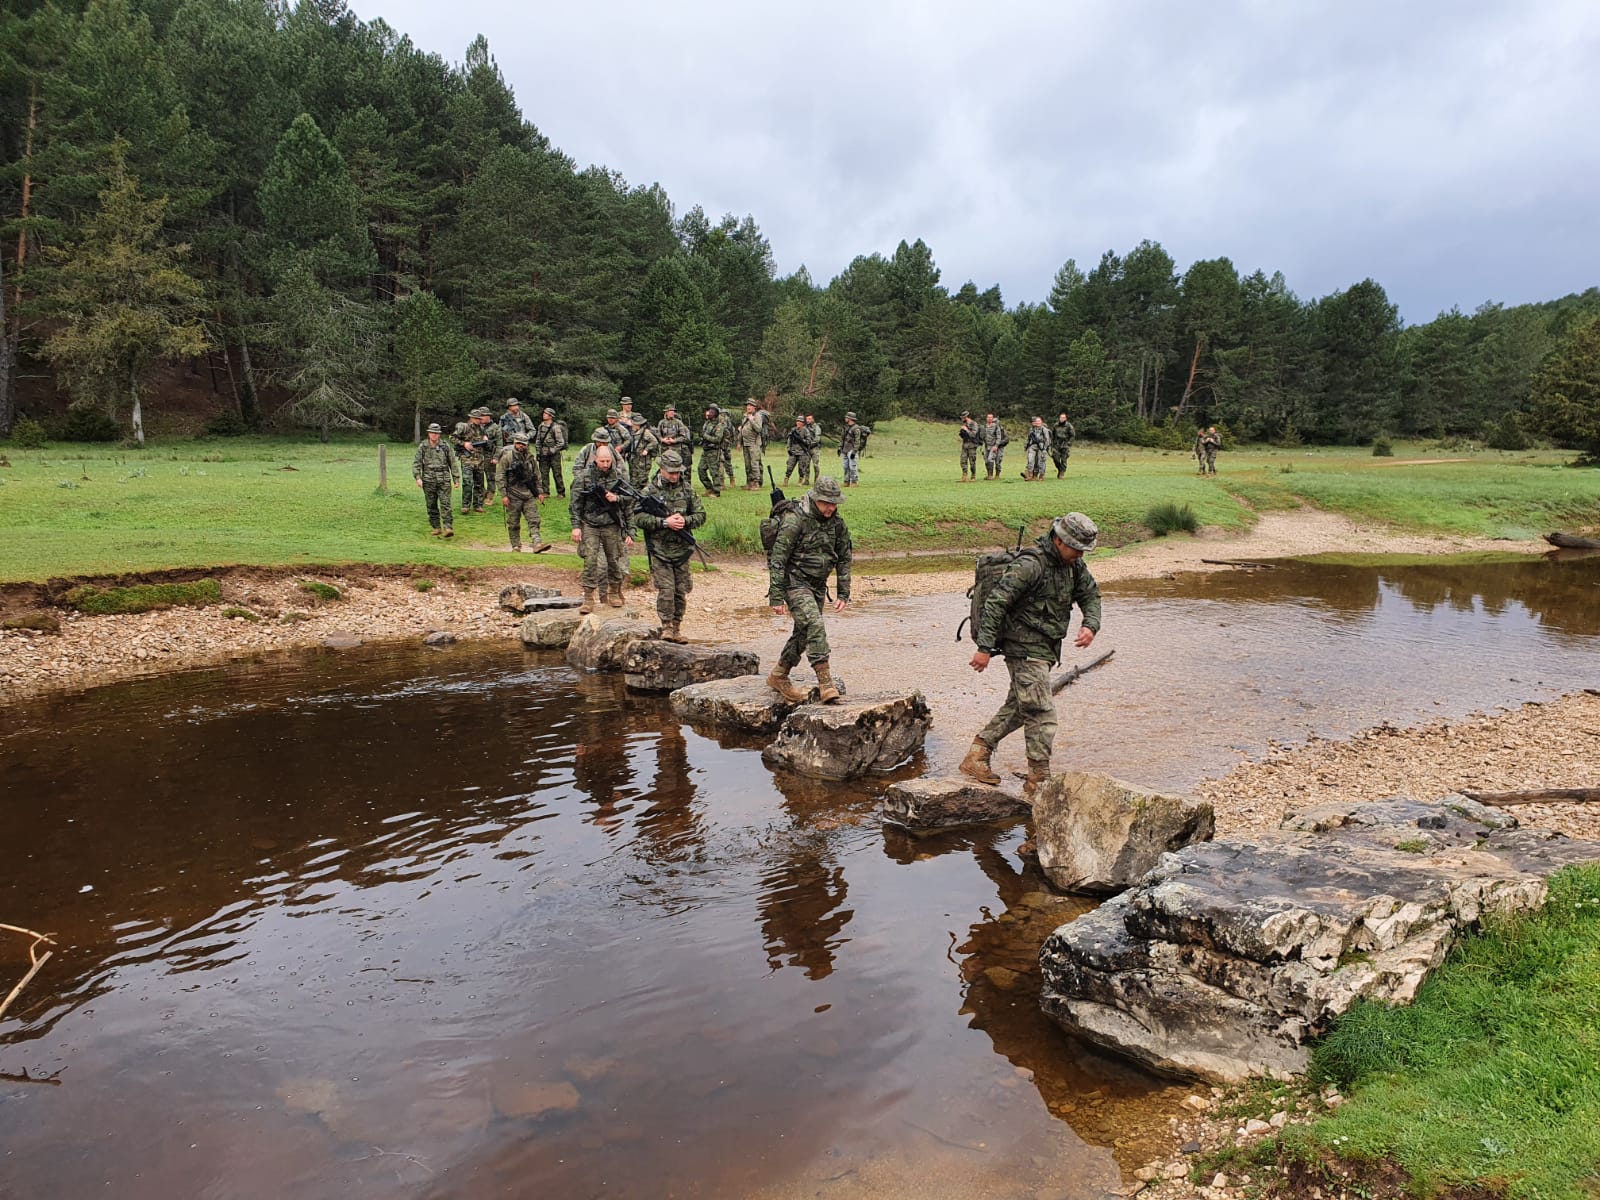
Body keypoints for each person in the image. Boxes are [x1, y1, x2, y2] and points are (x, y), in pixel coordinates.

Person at [961, 512, 1102, 799]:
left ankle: (977, 753)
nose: (1080, 554)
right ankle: (1038, 778)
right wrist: (984, 648)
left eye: (1083, 550)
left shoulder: (1074, 566)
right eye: (1076, 548)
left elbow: (1090, 594)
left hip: (1046, 647)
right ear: (1059, 541)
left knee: (1020, 705)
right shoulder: (1030, 565)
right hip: (1022, 646)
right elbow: (996, 604)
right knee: (1040, 710)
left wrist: (1090, 624)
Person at [765, 476, 852, 705]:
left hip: (817, 585)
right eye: (826, 503)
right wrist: (776, 596)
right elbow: (778, 559)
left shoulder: (837, 525)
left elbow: (844, 558)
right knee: (814, 624)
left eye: (834, 503)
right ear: (815, 499)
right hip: (794, 582)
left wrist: (843, 592)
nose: (831, 508)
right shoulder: (795, 520)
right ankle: (826, 682)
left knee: (804, 632)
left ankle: (779, 675)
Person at [634, 450, 706, 643]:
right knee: (666, 589)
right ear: (662, 469)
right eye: (671, 472)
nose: (675, 476)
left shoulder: (688, 490)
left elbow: (701, 515)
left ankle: (676, 626)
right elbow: (638, 517)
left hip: (682, 550)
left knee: (680, 590)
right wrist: (664, 522)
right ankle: (666, 627)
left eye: (677, 472)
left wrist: (685, 521)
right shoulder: (649, 491)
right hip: (659, 549)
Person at [569, 440, 636, 613]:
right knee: (590, 560)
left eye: (608, 461)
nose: (605, 464)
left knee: (614, 559)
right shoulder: (584, 477)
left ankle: (614, 592)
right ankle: (588, 597)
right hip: (590, 524)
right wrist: (576, 526)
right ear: (595, 459)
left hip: (612, 525)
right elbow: (575, 503)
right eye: (602, 461)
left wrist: (617, 499)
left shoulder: (619, 477)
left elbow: (630, 502)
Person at [495, 431, 552, 553]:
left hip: (529, 494)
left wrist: (540, 492)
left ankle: (537, 542)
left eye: (523, 444)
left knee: (534, 519)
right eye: (518, 443)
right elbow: (500, 476)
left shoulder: (530, 459)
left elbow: (537, 475)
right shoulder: (507, 458)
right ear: (514, 443)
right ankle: (516, 545)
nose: (521, 446)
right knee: (513, 522)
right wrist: (504, 495)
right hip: (512, 495)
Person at [412, 422, 460, 537]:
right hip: (428, 480)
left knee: (445, 503)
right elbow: (417, 463)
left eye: (436, 433)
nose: (434, 435)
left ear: (439, 434)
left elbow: (452, 463)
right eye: (432, 433)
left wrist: (456, 478)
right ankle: (436, 527)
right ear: (429, 433)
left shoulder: (445, 446)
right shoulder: (423, 446)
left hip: (444, 479)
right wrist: (418, 478)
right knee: (431, 505)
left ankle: (448, 527)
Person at [452, 419, 484, 512]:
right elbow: (452, 438)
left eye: (480, 418)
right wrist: (464, 443)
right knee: (467, 482)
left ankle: (478, 505)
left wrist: (485, 438)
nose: (479, 420)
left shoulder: (481, 428)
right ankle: (465, 505)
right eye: (477, 418)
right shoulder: (464, 427)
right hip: (467, 459)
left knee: (479, 483)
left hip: (479, 459)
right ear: (472, 418)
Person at [535, 407, 567, 497]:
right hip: (543, 453)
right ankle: (545, 492)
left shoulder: (555, 427)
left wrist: (552, 450)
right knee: (543, 473)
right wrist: (538, 452)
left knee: (557, 473)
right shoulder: (541, 426)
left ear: (550, 416)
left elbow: (561, 442)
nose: (543, 415)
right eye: (544, 413)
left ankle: (561, 492)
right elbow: (538, 440)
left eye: (546, 413)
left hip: (554, 455)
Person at [656, 402, 692, 480]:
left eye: (673, 411)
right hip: (665, 449)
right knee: (665, 466)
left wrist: (674, 441)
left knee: (676, 467)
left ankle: (677, 481)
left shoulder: (678, 423)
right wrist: (662, 440)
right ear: (666, 412)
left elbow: (683, 436)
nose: (672, 413)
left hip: (676, 449)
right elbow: (658, 434)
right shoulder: (661, 422)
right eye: (670, 411)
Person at [698, 403, 726, 496]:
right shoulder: (707, 423)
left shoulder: (719, 425)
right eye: (709, 411)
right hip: (705, 450)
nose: (709, 413)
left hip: (713, 451)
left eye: (711, 411)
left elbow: (717, 439)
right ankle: (709, 488)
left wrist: (705, 436)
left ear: (715, 413)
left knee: (714, 472)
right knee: (701, 469)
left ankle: (716, 491)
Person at [477, 409, 504, 505]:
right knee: (478, 477)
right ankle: (482, 495)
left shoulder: (496, 428)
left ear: (488, 416)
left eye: (482, 416)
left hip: (489, 455)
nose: (481, 418)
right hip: (477, 455)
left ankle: (490, 496)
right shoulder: (477, 426)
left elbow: (499, 444)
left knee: (491, 477)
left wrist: (496, 457)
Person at [627, 412, 660, 489]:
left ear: (638, 424)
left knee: (642, 479)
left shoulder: (646, 432)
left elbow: (654, 442)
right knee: (634, 478)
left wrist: (646, 449)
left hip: (643, 460)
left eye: (634, 424)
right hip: (635, 458)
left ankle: (646, 492)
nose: (632, 425)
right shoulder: (635, 432)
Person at [738, 400, 764, 490]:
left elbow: (758, 429)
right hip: (746, 443)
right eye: (747, 405)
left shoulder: (757, 416)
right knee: (747, 465)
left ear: (754, 407)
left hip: (754, 444)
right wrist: (739, 442)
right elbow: (742, 430)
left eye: (750, 405)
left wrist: (752, 420)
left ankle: (756, 483)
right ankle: (749, 483)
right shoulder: (745, 416)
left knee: (754, 464)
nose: (748, 407)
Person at [839, 411, 871, 486]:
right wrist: (839, 447)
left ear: (850, 419)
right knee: (845, 467)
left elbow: (857, 441)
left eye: (846, 417)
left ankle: (854, 482)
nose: (845, 418)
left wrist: (854, 451)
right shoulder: (846, 427)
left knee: (852, 467)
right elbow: (842, 439)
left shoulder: (856, 429)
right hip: (845, 449)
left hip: (852, 450)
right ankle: (846, 481)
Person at [784, 414, 811, 485]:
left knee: (801, 468)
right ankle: (786, 479)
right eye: (797, 421)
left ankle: (800, 480)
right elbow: (789, 440)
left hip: (802, 452)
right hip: (793, 451)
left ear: (803, 423)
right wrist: (788, 449)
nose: (798, 422)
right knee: (789, 467)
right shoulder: (793, 430)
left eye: (800, 421)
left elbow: (808, 441)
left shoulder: (805, 431)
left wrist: (802, 440)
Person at [982, 412, 1009, 480]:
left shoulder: (1001, 429)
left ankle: (997, 475)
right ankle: (989, 474)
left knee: (997, 461)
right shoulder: (986, 427)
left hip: (999, 447)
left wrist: (998, 444)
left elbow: (1006, 439)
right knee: (987, 460)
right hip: (990, 446)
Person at [1023, 416, 1051, 480]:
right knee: (1030, 460)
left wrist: (1045, 448)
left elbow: (1047, 440)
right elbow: (1028, 438)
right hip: (1032, 446)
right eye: (1036, 421)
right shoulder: (1032, 429)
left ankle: (1041, 475)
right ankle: (1030, 475)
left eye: (1039, 421)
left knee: (1040, 462)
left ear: (1041, 422)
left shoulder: (1044, 430)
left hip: (1041, 447)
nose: (1037, 422)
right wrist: (1026, 446)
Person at [958, 410, 981, 482]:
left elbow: (973, 435)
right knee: (963, 460)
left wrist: (966, 430)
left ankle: (973, 476)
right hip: (965, 444)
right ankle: (964, 476)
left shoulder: (974, 424)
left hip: (972, 445)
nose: (962, 419)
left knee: (972, 461)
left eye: (963, 417)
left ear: (966, 417)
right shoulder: (964, 424)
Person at [1050, 413, 1075, 478]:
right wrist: (1051, 443)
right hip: (1056, 444)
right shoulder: (1055, 425)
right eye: (1061, 417)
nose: (1062, 419)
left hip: (1065, 444)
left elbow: (1072, 435)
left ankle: (1062, 473)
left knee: (1064, 459)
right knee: (1055, 458)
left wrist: (1069, 443)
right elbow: (1052, 435)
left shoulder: (1069, 426)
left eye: (1063, 418)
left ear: (1065, 418)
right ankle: (1060, 469)